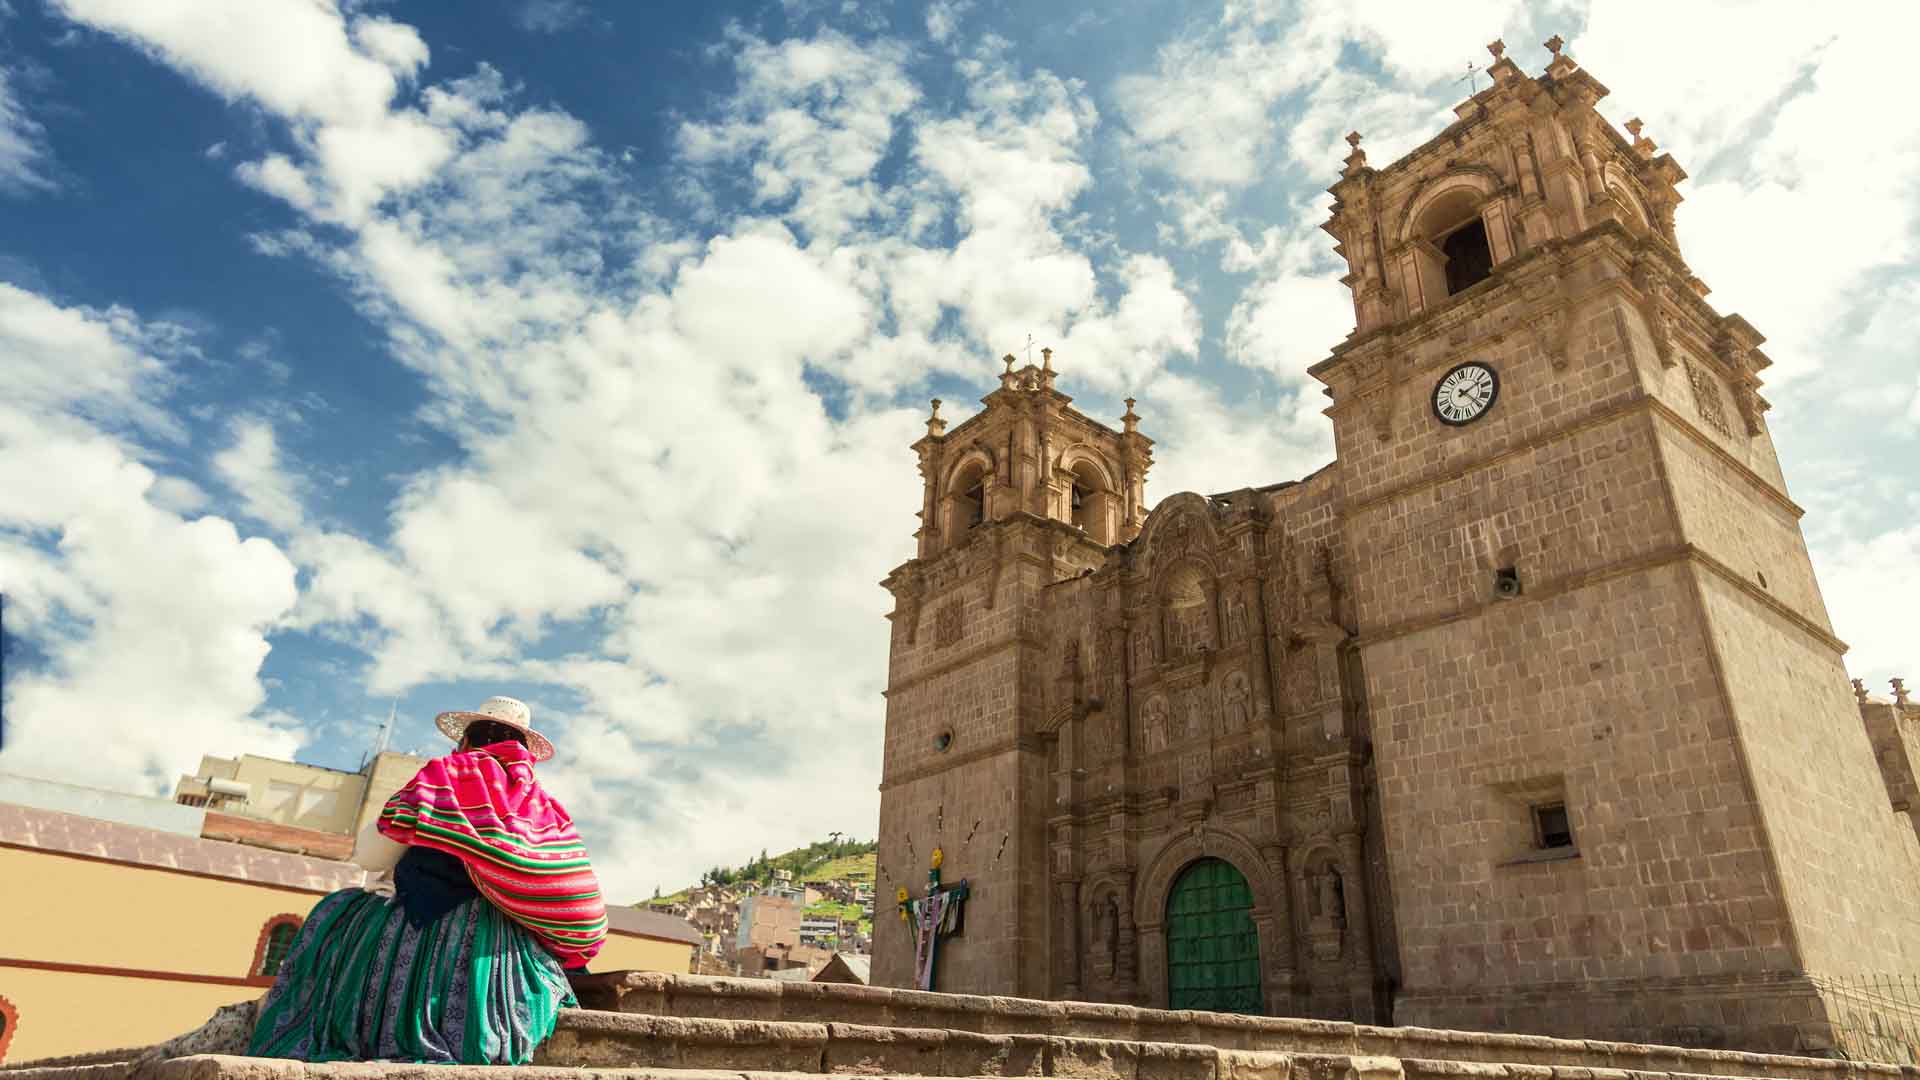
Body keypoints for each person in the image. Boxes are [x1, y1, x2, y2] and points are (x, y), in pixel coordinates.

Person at [244, 696, 607, 1065]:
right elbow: (571, 900)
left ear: (465, 741)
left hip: (417, 923)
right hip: (499, 946)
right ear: (523, 752)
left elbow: (370, 855)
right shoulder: (541, 809)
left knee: (336, 912)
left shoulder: (442, 778)